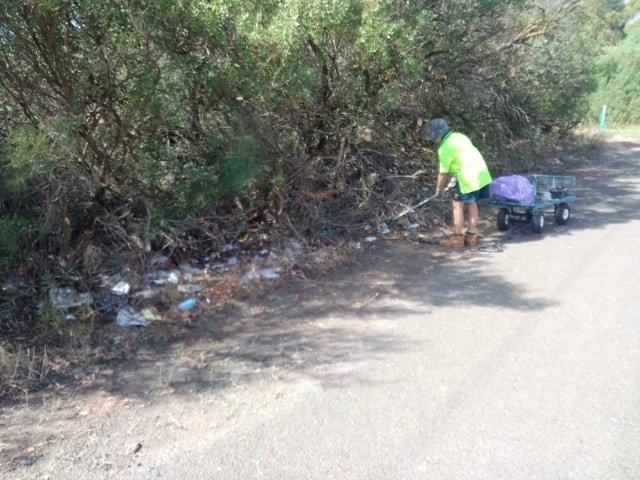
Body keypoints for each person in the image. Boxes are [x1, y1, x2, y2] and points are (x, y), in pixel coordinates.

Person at [425, 118, 492, 248]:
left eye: (434, 138)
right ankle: (471, 236)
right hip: (481, 172)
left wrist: (439, 190)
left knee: (457, 206)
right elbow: (463, 158)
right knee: (472, 203)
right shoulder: (459, 136)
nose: (434, 141)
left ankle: (457, 238)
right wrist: (454, 179)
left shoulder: (444, 148)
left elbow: (442, 174)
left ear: (438, 135)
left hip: (467, 177)